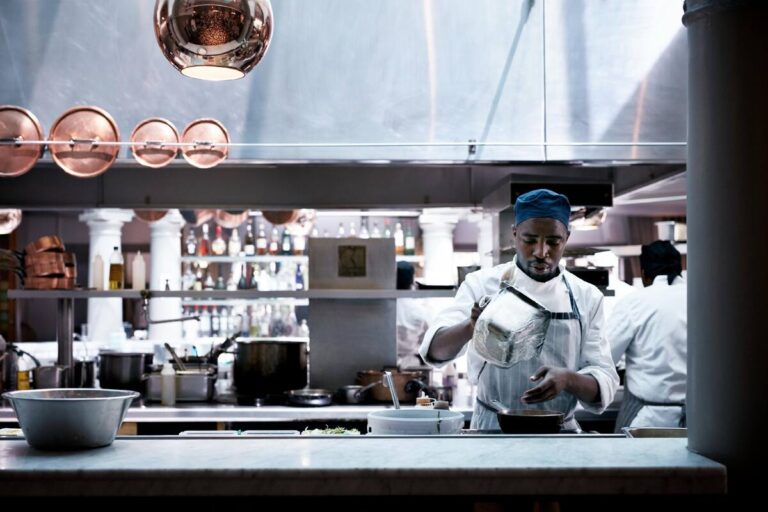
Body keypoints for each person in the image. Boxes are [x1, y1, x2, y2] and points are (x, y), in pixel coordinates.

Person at [419, 189, 618, 431]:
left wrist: (568, 379)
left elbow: (604, 382)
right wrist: (471, 327)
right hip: (493, 429)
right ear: (514, 234)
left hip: (558, 435)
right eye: (530, 240)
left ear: (566, 237)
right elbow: (435, 351)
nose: (541, 252)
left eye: (553, 241)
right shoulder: (481, 284)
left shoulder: (586, 297)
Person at [606, 240, 686, 431]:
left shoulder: (633, 303)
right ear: (679, 269)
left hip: (645, 419)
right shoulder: (703, 299)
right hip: (698, 418)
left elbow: (605, 356)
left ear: (643, 274)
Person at [395, 261, 430, 368]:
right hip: (412, 365)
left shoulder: (385, 307)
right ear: (412, 281)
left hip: (385, 363)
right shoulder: (419, 309)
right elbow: (427, 341)